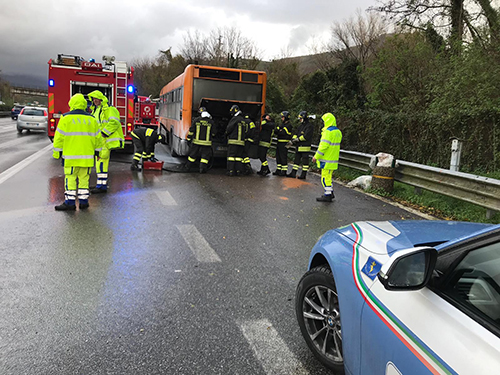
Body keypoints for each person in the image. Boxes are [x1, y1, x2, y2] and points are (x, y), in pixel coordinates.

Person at [52, 93, 101, 211]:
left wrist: (57, 153)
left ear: (71, 104)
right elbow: (98, 138)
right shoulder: (92, 120)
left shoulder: (65, 118)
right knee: (84, 179)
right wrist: (98, 152)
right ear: (84, 105)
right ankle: (84, 202)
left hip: (71, 157)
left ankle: (70, 202)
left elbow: (59, 138)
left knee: (70, 178)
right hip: (87, 157)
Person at [87, 90, 124, 194]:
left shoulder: (109, 109)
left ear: (101, 99)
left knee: (102, 162)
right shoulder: (96, 110)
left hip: (104, 141)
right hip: (99, 141)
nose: (95, 101)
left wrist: (104, 133)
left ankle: (101, 186)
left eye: (96, 98)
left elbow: (115, 122)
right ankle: (100, 184)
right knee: (99, 163)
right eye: (93, 99)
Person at [312, 112, 342, 202]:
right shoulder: (338, 132)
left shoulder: (327, 132)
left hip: (326, 159)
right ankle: (330, 192)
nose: (323, 123)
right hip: (333, 159)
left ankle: (327, 194)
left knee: (325, 178)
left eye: (324, 121)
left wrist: (316, 156)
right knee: (328, 177)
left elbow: (323, 146)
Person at [184, 107, 215, 173]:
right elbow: (214, 133)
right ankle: (202, 169)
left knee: (192, 156)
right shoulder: (211, 122)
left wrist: (189, 139)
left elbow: (191, 130)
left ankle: (188, 168)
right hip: (207, 143)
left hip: (196, 142)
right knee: (205, 157)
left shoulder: (196, 120)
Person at [286, 111, 314, 179]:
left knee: (305, 163)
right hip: (298, 147)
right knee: (296, 161)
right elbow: (296, 133)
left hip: (305, 147)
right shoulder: (301, 126)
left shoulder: (309, 126)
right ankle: (293, 173)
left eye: (301, 118)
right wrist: (293, 139)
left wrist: (297, 139)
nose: (300, 120)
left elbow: (305, 136)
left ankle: (303, 175)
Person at [225, 105, 246, 176]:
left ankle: (230, 171)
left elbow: (229, 128)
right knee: (238, 158)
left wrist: (225, 134)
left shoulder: (234, 119)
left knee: (231, 156)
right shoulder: (243, 120)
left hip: (233, 141)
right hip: (241, 142)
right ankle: (238, 171)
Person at [273, 111, 292, 176]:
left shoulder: (288, 125)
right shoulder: (282, 125)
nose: (282, 118)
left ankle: (284, 171)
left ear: (286, 117)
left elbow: (282, 133)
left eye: (283, 117)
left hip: (284, 143)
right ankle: (278, 170)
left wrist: (280, 131)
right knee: (278, 157)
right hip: (279, 142)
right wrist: (279, 130)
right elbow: (276, 131)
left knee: (283, 157)